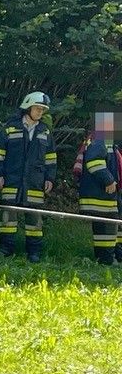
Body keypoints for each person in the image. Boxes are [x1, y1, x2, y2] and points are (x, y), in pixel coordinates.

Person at [0, 91, 57, 262]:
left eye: (42, 110)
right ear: (27, 107)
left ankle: (34, 253)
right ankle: (5, 250)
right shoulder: (10, 128)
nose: (40, 112)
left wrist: (50, 178)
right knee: (8, 220)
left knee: (34, 222)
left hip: (36, 182)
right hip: (11, 180)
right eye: (37, 108)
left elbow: (51, 158)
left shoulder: (45, 131)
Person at [77, 110, 121, 264]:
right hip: (101, 193)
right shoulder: (100, 140)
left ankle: (110, 258)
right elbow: (94, 162)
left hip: (104, 194)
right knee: (108, 227)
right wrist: (109, 180)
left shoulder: (105, 141)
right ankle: (107, 260)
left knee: (108, 226)